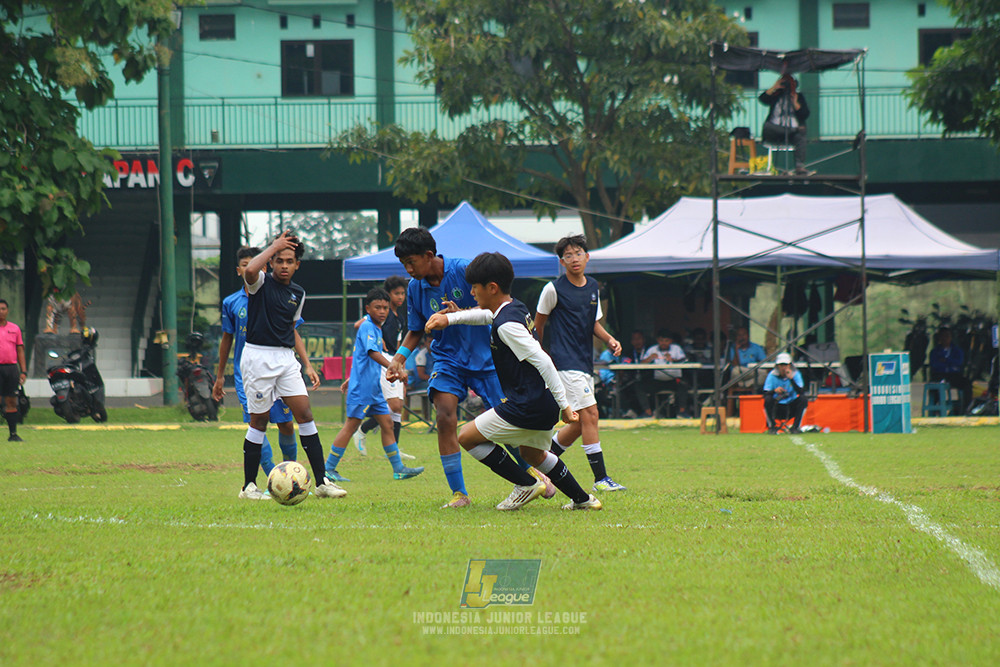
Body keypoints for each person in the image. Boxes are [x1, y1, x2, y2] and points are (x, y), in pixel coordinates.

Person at [386, 227, 551, 509]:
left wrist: (459, 315)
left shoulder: (465, 270)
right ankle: (459, 494)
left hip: (488, 359)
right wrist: (398, 359)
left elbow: (498, 310)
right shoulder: (415, 289)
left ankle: (534, 475)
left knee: (508, 423)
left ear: (429, 255)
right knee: (445, 415)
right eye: (404, 265)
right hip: (448, 359)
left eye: (411, 262)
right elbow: (415, 330)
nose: (408, 269)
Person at [425, 252, 601, 511]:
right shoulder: (512, 308)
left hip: (527, 405)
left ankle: (526, 484)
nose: (472, 292)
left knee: (467, 437)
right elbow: (484, 316)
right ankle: (583, 500)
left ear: (492, 287)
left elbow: (544, 361)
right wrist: (449, 319)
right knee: (533, 455)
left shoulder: (507, 326)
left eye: (475, 287)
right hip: (542, 403)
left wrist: (565, 406)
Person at [236, 231, 345, 500]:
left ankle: (322, 482)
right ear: (271, 262)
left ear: (298, 265)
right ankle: (249, 486)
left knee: (305, 414)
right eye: (279, 260)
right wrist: (273, 245)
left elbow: (292, 328)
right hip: (258, 357)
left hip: (286, 359)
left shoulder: (298, 293)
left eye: (290, 261)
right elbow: (250, 269)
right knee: (259, 420)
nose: (284, 265)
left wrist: (306, 364)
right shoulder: (259, 283)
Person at [533, 235, 626, 492]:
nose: (574, 259)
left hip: (585, 362)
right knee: (590, 415)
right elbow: (537, 327)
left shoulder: (593, 286)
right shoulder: (553, 289)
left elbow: (593, 322)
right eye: (569, 255)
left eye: (578, 253)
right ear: (562, 262)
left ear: (587, 256)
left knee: (576, 424)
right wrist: (539, 359)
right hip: (564, 362)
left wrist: (609, 340)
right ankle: (601, 479)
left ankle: (539, 464)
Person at [212, 246, 304, 479]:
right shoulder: (232, 302)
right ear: (238, 270)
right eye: (244, 264)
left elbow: (293, 331)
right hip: (249, 373)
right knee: (257, 425)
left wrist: (307, 364)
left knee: (286, 423)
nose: (249, 268)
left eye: (254, 264)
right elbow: (226, 338)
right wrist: (221, 375)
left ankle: (291, 475)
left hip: (279, 366)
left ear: (264, 266)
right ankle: (274, 479)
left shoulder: (276, 294)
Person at [324, 288, 424, 481]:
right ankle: (328, 469)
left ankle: (399, 469)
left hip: (374, 388)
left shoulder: (376, 328)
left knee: (387, 424)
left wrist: (351, 377)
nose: (382, 311)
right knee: (351, 426)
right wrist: (395, 366)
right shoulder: (368, 327)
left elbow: (362, 358)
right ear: (368, 308)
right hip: (363, 389)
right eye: (377, 307)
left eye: (385, 308)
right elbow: (372, 354)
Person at [353, 275, 415, 461]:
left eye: (403, 293)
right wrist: (378, 343)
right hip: (382, 361)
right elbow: (359, 324)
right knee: (393, 405)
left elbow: (399, 343)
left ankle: (394, 450)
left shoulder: (398, 318)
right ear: (388, 295)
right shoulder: (381, 314)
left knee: (397, 408)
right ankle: (362, 429)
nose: (400, 297)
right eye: (396, 293)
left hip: (395, 360)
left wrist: (400, 364)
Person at [759, 73, 812, 175]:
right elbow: (763, 99)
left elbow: (805, 114)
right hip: (774, 130)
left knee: (801, 137)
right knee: (767, 127)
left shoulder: (799, 97)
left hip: (792, 134)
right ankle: (795, 130)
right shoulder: (775, 95)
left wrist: (795, 102)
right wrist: (774, 87)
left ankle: (799, 166)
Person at [642, 329, 691, 418]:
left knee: (684, 384)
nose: (663, 343)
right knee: (639, 385)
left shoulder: (676, 348)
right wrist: (649, 358)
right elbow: (641, 364)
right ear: (658, 340)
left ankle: (682, 412)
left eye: (666, 341)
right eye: (661, 340)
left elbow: (684, 360)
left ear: (671, 341)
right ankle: (648, 413)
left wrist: (673, 360)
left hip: (674, 380)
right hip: (657, 381)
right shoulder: (652, 349)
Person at [0, 299, 27, 442]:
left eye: (3, 308)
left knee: (11, 401)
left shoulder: (15, 329)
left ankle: (13, 434)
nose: (1, 311)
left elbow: (20, 350)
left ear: (7, 310)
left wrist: (23, 371)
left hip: (11, 368)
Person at [929, 327, 972, 414]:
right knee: (935, 387)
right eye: (943, 336)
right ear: (939, 338)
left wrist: (946, 361)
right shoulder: (935, 351)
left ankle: (966, 409)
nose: (945, 338)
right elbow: (934, 364)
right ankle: (936, 410)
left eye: (947, 336)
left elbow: (959, 362)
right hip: (939, 374)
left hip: (954, 375)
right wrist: (949, 364)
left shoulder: (957, 350)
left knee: (967, 383)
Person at [762, 352, 807, 434]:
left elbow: (801, 391)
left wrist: (791, 379)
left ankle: (796, 427)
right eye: (781, 365)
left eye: (785, 365)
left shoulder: (795, 374)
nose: (783, 368)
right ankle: (772, 426)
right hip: (777, 406)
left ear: (790, 365)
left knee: (803, 399)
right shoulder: (772, 375)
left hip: (791, 406)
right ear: (777, 366)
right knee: (768, 400)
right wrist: (774, 391)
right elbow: (765, 393)